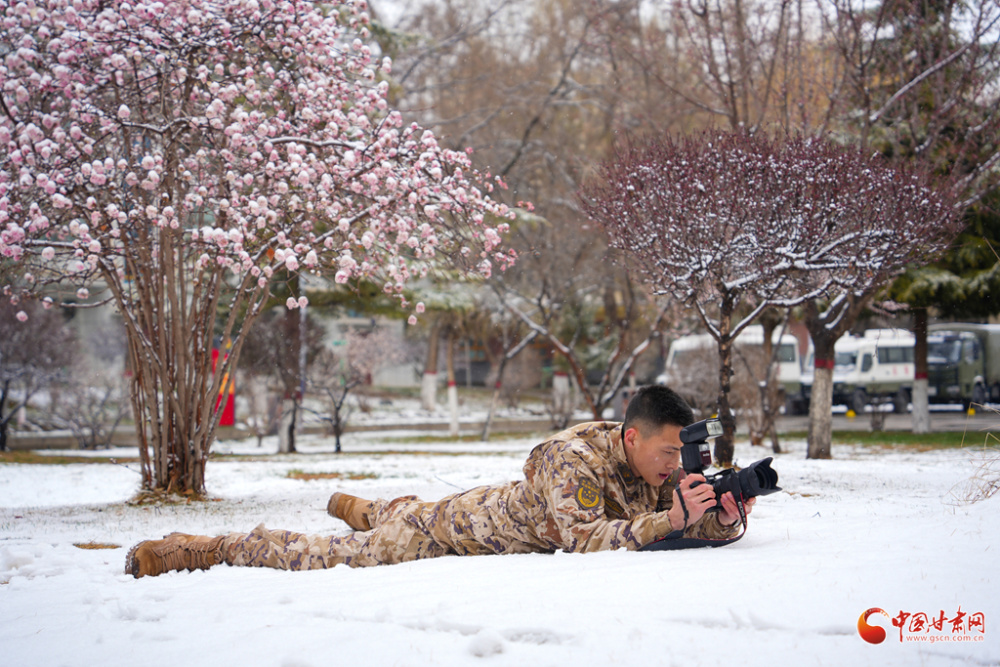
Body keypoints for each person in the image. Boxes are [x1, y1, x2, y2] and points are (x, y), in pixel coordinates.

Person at [125, 385, 755, 577]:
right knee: (332, 556)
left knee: (406, 509)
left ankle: (371, 507)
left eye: (682, 455)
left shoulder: (660, 466)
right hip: (451, 534)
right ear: (631, 437)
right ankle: (210, 547)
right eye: (668, 453)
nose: (676, 467)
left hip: (473, 509)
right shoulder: (572, 460)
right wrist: (671, 520)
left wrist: (722, 517)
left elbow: (676, 528)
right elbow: (586, 539)